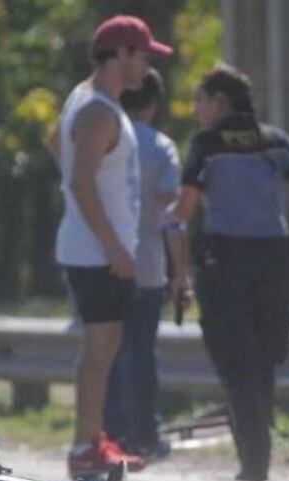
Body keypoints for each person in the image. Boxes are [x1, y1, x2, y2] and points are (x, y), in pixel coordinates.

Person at [173, 64, 289, 481]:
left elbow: (185, 207)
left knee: (235, 361)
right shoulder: (274, 140)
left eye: (201, 100)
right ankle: (259, 454)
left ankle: (252, 459)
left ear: (220, 102)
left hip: (226, 261)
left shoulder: (207, 144)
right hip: (273, 260)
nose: (197, 109)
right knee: (263, 359)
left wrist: (170, 231)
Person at [49, 15, 172, 475]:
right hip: (98, 252)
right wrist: (114, 246)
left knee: (103, 348)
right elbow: (82, 181)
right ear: (119, 54)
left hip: (92, 247)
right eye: (142, 55)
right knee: (101, 349)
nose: (146, 66)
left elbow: (58, 150)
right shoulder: (99, 109)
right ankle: (85, 447)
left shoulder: (86, 101)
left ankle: (91, 438)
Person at [103, 67, 187, 459]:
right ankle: (145, 435)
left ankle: (109, 433)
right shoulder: (162, 148)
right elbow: (171, 216)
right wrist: (180, 272)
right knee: (142, 352)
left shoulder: (103, 142)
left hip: (102, 261)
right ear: (153, 105)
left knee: (108, 350)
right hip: (148, 264)